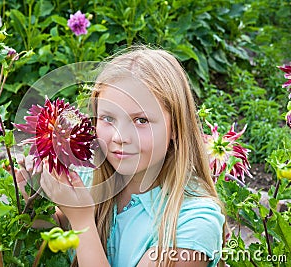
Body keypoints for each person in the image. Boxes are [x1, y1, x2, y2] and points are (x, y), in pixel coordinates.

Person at [16, 47, 225, 267]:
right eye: (108, 118)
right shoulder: (90, 177)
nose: (120, 137)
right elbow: (57, 241)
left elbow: (79, 230)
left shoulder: (193, 224)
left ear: (176, 127)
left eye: (141, 121)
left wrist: (82, 220)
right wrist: (34, 202)